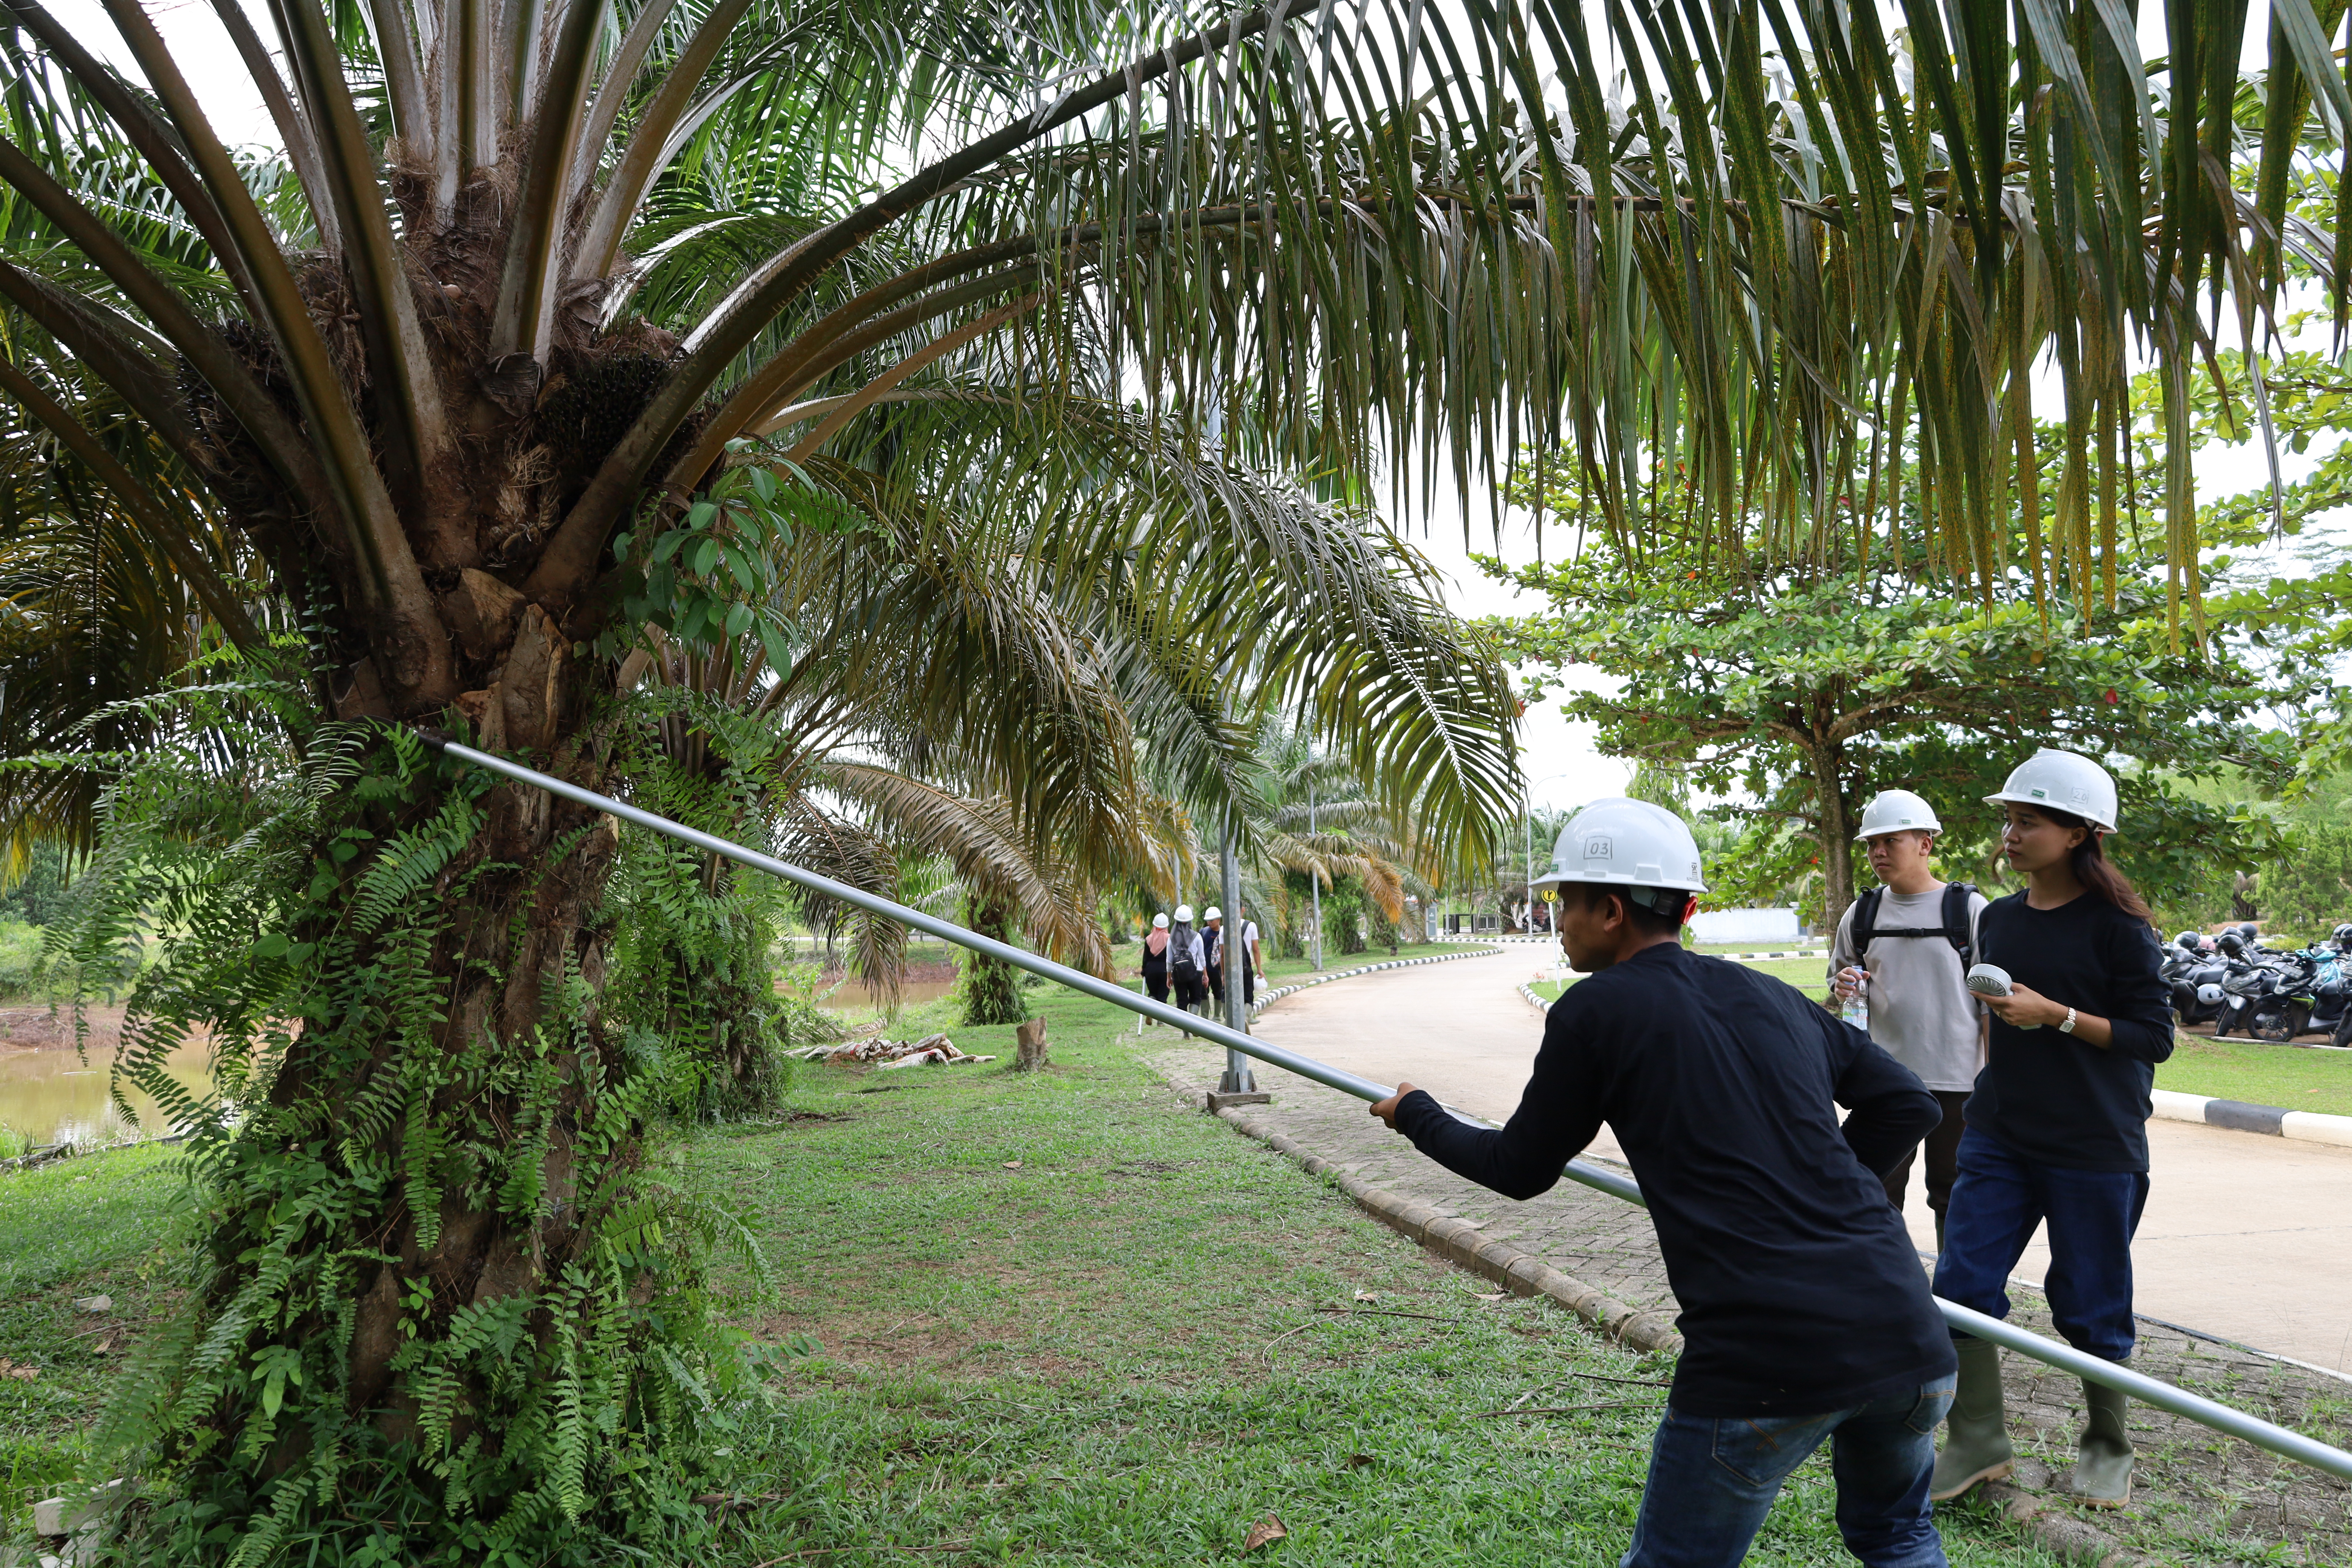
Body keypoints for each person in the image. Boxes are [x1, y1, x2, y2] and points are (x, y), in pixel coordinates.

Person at [1369, 798, 1955, 1568]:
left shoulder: (1597, 1009)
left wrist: (1417, 1113)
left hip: (1765, 1356)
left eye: (1564, 903)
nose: (1559, 921)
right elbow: (1908, 1101)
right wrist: (1829, 1183)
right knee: (1898, 1536)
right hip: (1909, 1336)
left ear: (1610, 910)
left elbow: (1518, 1170)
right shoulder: (1773, 996)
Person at [1929, 749, 2174, 1511]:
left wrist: (2057, 1016)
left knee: (2092, 1302)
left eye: (2028, 821)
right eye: (2009, 820)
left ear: (2078, 834)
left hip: (2095, 1143)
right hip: (2001, 1132)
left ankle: (2106, 1447)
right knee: (1961, 1286)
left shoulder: (2121, 929)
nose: (2011, 833)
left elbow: (2152, 1038)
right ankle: (1976, 1440)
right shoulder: (1997, 919)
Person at [1828, 790, 1988, 1251]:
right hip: (1885, 1083)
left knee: (1954, 1193)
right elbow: (1842, 985)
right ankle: (1878, 1292)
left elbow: (1990, 1005)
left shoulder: (1968, 910)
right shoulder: (1863, 913)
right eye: (1871, 843)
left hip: (1960, 1083)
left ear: (1925, 843)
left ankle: (1959, 1303)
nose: (1878, 852)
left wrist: (1993, 1080)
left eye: (1890, 840)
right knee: (1871, 1190)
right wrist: (1844, 986)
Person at [1204, 905, 1263, 1013]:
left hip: (1229, 968)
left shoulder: (1223, 928)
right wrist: (1259, 969)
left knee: (1227, 996)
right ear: (1243, 910)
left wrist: (1223, 974)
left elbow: (1222, 954)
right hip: (1246, 967)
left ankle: (1229, 1021)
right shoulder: (1251, 926)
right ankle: (1245, 1018)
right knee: (1248, 998)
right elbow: (1256, 950)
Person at [1166, 905, 1208, 1016]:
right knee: (1195, 999)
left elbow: (1169, 960)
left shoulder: (1171, 939)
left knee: (1182, 1001)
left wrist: (1169, 977)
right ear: (1190, 921)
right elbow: (1202, 957)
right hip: (1196, 972)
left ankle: (1186, 1032)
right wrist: (1205, 974)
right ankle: (1193, 1024)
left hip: (1178, 974)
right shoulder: (1197, 936)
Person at [1139, 913, 1173, 1015]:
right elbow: (1171, 957)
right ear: (1166, 926)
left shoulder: (1149, 939)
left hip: (1151, 970)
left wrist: (1144, 971)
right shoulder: (1169, 939)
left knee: (1153, 993)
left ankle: (1150, 1012)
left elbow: (1146, 958)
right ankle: (1160, 1020)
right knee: (1163, 995)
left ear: (1155, 926)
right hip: (1164, 969)